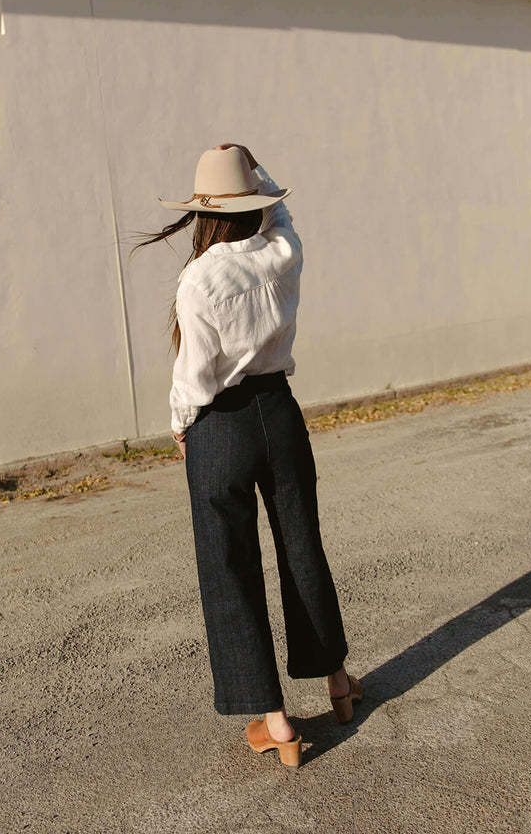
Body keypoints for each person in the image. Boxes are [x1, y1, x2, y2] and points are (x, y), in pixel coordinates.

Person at [135, 143, 362, 768]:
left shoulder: (200, 277)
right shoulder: (283, 251)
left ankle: (275, 720)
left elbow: (194, 374)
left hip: (220, 428)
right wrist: (260, 172)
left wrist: (180, 426)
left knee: (229, 563)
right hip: (280, 413)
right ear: (256, 202)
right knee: (301, 545)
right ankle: (337, 683)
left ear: (203, 212)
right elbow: (283, 214)